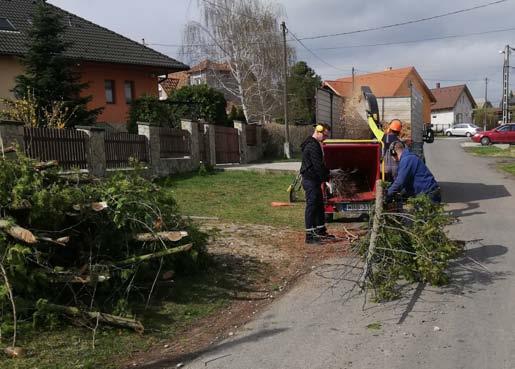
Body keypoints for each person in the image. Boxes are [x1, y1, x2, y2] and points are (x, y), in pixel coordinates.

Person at [300, 124, 334, 244]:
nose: (325, 138)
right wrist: (326, 178)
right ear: (318, 131)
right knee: (312, 206)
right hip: (310, 180)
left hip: (314, 180)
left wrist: (327, 174)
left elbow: (320, 165)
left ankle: (320, 230)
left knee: (319, 205)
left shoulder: (315, 144)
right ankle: (309, 236)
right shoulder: (312, 145)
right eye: (324, 135)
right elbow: (317, 165)